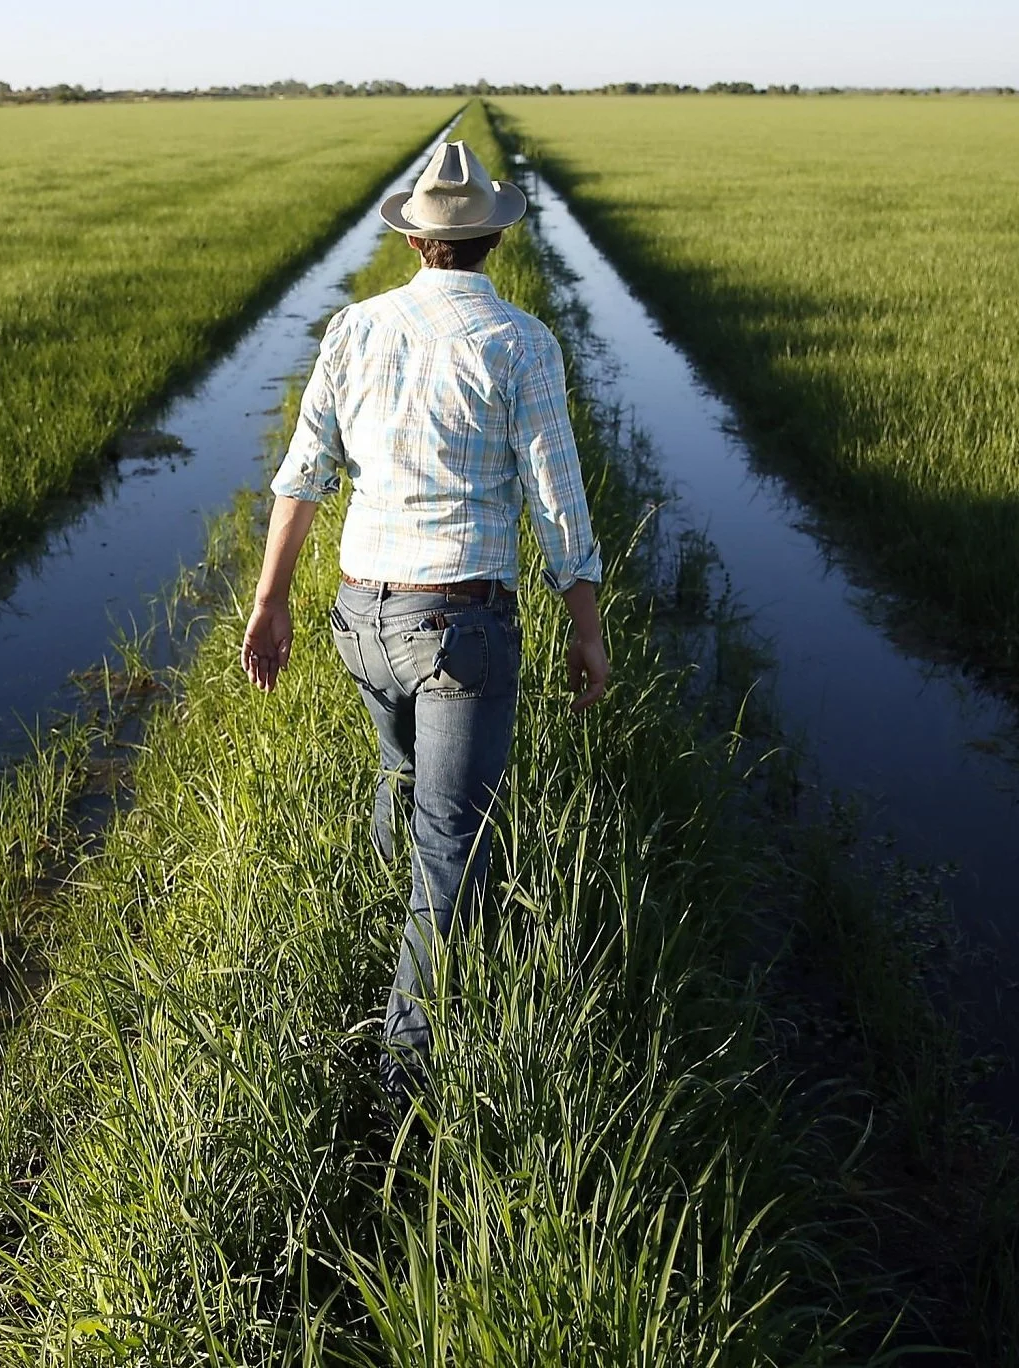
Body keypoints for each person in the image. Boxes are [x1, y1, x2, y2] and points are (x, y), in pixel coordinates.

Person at [240, 138, 608, 1103]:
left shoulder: (353, 330)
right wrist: (586, 624)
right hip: (460, 631)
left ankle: (376, 917)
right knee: (453, 846)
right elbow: (557, 500)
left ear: (413, 242)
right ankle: (408, 1084)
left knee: (400, 776)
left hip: (359, 617)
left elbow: (304, 474)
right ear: (491, 237)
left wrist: (271, 600)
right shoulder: (522, 342)